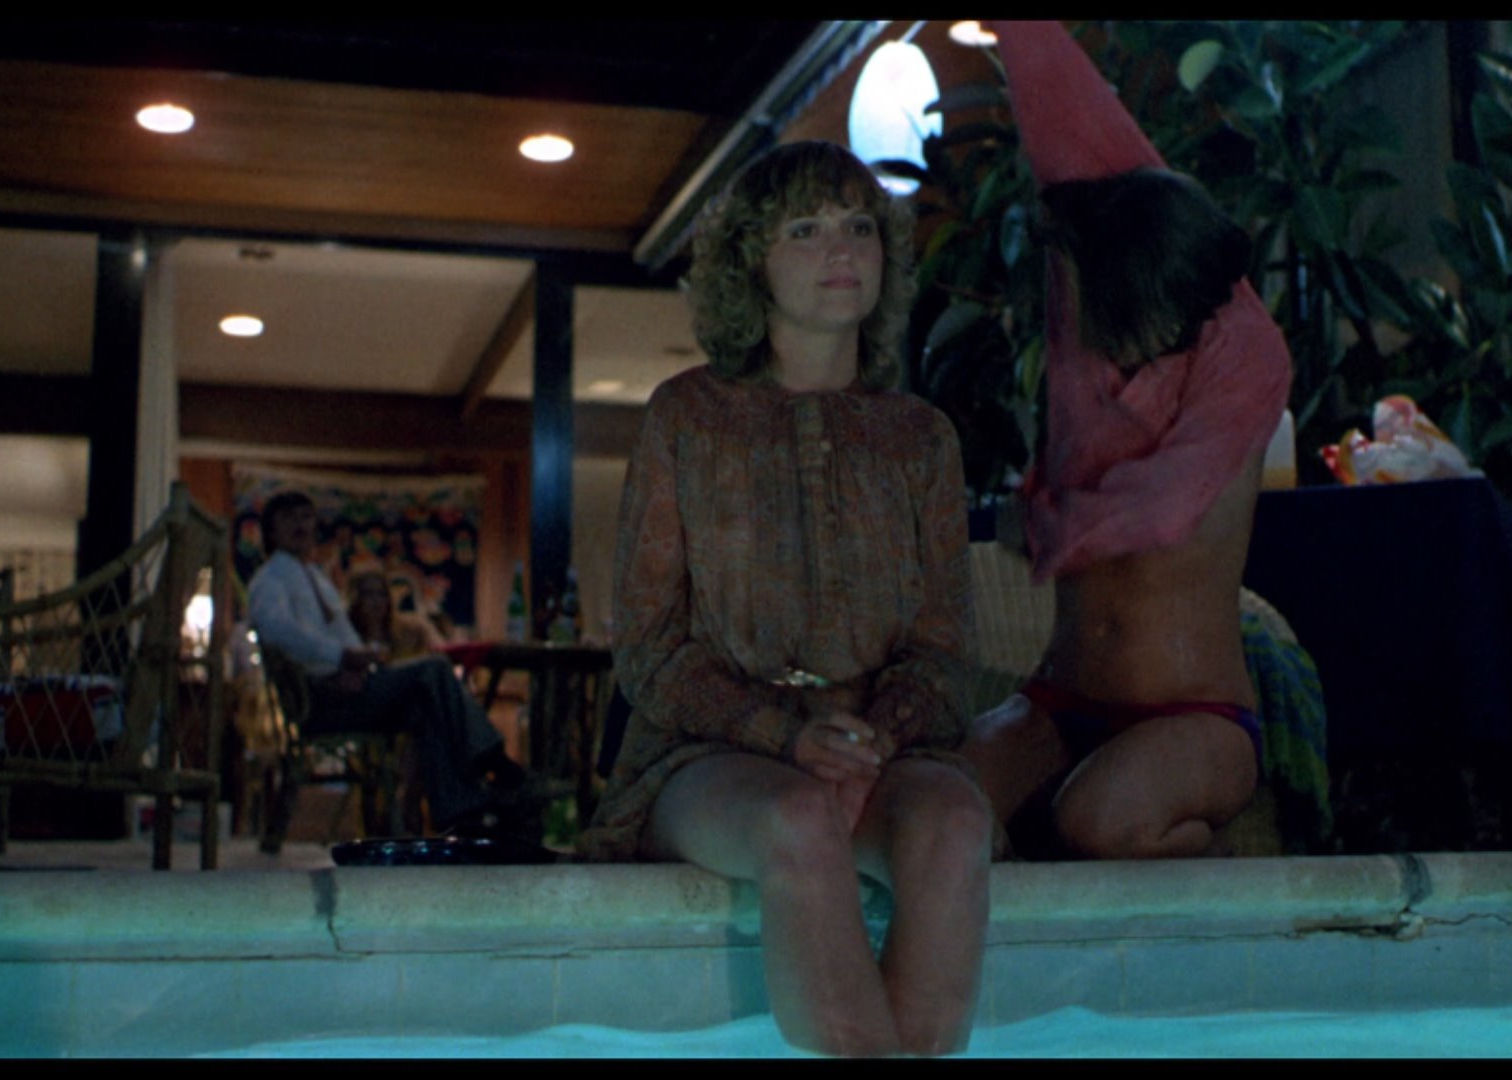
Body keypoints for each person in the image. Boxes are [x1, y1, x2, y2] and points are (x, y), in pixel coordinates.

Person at [575, 141, 992, 1057]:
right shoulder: (686, 417)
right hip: (707, 756)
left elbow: (946, 648)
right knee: (797, 820)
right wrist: (786, 739)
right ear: (750, 262)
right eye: (804, 229)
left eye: (858, 227)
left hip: (878, 749)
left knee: (957, 825)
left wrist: (874, 736)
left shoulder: (921, 438)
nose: (840, 248)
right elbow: (647, 648)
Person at [959, 21, 1295, 861]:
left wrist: (1042, 525)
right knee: (939, 809)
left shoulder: (1244, 352)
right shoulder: (1100, 251)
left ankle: (1206, 877)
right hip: (1062, 696)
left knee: (1097, 822)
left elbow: (1164, 509)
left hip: (1195, 714)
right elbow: (1067, 119)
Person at [247, 491, 534, 841]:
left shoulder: (314, 577)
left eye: (306, 516)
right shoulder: (271, 579)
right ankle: (491, 758)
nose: (300, 524)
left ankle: (461, 811)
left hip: (349, 684)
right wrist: (341, 659)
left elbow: (342, 637)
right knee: (433, 669)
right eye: (289, 517)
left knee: (425, 706)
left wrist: (360, 660)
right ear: (271, 529)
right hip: (320, 698)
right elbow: (276, 630)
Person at [347, 569, 447, 663]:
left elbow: (443, 652)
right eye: (368, 594)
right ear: (355, 599)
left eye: (382, 594)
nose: (376, 600)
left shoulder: (414, 627)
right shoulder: (347, 636)